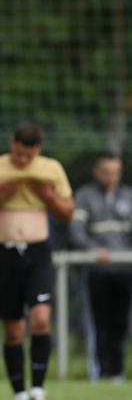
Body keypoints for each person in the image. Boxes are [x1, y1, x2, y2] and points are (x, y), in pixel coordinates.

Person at [0, 122, 74, 400]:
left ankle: (38, 389)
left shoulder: (50, 169)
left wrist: (47, 196)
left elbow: (68, 212)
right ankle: (19, 393)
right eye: (19, 153)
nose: (23, 161)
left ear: (38, 149)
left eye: (29, 155)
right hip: (6, 253)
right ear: (12, 143)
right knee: (13, 329)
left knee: (40, 319)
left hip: (38, 253)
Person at [69, 152, 132, 381]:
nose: (112, 177)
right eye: (107, 172)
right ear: (96, 172)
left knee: (121, 322)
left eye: (116, 172)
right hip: (97, 269)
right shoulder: (85, 196)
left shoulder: (128, 196)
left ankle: (117, 371)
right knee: (98, 321)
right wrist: (93, 250)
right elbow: (76, 231)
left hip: (124, 268)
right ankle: (99, 371)